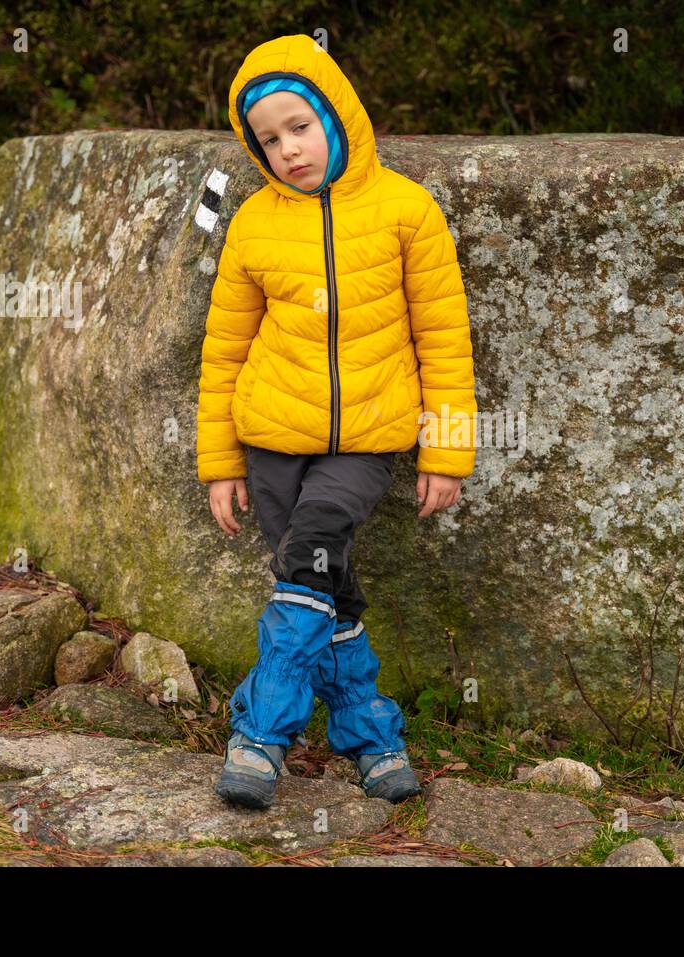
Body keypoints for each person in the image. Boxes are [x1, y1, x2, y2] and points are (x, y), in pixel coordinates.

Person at [197, 34, 477, 810]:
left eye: (300, 126)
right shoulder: (252, 222)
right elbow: (224, 351)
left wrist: (446, 448)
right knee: (324, 588)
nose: (288, 150)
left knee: (312, 555)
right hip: (270, 443)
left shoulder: (406, 211)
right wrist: (220, 462)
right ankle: (372, 733)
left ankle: (259, 735)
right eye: (269, 139)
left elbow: (444, 339)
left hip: (365, 441)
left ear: (337, 112)